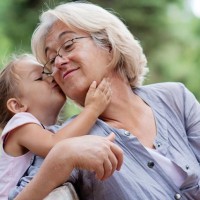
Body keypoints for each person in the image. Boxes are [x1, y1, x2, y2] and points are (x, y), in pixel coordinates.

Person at [12, 1, 200, 200]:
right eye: (51, 61)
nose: (58, 63)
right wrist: (62, 155)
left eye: (68, 45)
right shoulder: (65, 141)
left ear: (108, 44)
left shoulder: (174, 97)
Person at [0, 53, 123, 199]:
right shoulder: (20, 124)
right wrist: (93, 109)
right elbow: (55, 146)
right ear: (17, 105)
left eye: (48, 73)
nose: (51, 77)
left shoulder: (46, 130)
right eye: (40, 78)